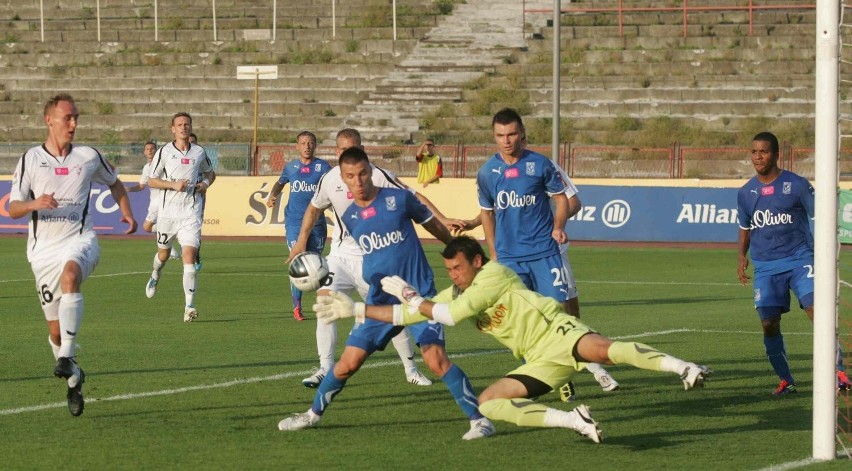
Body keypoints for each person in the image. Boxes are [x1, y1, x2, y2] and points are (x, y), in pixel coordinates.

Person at [314, 235, 712, 443]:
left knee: (604, 352)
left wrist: (413, 295)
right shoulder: (461, 291)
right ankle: (573, 420)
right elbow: (407, 314)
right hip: (536, 358)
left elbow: (444, 314)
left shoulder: (493, 276)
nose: (453, 275)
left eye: (457, 268)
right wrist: (357, 311)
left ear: (476, 262)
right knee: (489, 404)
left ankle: (683, 367)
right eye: (448, 270)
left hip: (557, 331)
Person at [278, 148, 496, 440]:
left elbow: (434, 226)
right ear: (342, 179)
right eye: (350, 177)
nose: (358, 181)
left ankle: (479, 420)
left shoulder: (399, 199)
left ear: (371, 171)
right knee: (347, 363)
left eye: (363, 173)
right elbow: (375, 253)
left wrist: (462, 258)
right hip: (380, 301)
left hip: (419, 295)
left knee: (434, 359)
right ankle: (312, 415)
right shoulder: (351, 215)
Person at [284, 128, 447, 388]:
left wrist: (443, 219)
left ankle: (410, 368)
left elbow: (413, 197)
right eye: (344, 150)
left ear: (362, 150)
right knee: (325, 303)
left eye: (355, 148)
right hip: (340, 257)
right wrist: (301, 242)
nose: (350, 153)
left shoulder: (378, 176)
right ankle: (325, 368)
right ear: (337, 153)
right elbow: (314, 208)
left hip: (374, 259)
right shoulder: (328, 179)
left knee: (391, 314)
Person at [8, 93, 138, 416]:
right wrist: (34, 204)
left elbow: (116, 184)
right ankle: (74, 378)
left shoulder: (88, 156)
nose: (74, 123)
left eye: (76, 117)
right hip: (42, 254)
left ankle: (67, 354)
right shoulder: (30, 159)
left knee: (71, 276)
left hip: (80, 240)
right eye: (67, 117)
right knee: (54, 330)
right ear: (48, 120)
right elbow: (12, 207)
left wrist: (127, 212)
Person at [475, 108, 618, 399]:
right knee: (523, 322)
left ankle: (580, 365)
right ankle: (548, 375)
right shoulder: (487, 173)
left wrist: (558, 226)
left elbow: (563, 199)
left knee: (560, 315)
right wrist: (493, 254)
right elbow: (487, 213)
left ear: (522, 134)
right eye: (500, 135)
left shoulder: (540, 165)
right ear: (494, 137)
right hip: (510, 259)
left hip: (544, 253)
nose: (506, 140)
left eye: (512, 134)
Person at [737, 131, 851, 395]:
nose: (758, 156)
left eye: (763, 151)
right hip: (765, 266)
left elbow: (821, 215)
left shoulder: (797, 185)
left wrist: (824, 249)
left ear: (776, 154)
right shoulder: (745, 193)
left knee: (817, 313)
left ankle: (839, 372)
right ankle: (786, 380)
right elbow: (745, 227)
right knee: (768, 323)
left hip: (800, 260)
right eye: (754, 151)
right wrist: (741, 256)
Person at [144, 112, 215, 322]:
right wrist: (173, 184)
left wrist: (205, 184)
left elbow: (211, 173)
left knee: (189, 258)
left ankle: (189, 306)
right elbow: (152, 181)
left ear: (191, 127)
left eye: (187, 124)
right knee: (163, 256)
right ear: (173, 129)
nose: (183, 127)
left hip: (190, 213)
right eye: (179, 124)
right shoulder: (164, 152)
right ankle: (155, 275)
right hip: (168, 214)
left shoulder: (199, 152)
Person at [265, 131, 332, 320]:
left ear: (316, 145)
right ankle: (297, 306)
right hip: (294, 222)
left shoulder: (323, 167)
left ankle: (322, 304)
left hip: (317, 223)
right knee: (299, 261)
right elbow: (280, 183)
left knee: (317, 264)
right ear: (297, 146)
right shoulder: (291, 167)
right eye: (303, 143)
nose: (307, 146)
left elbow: (332, 186)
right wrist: (273, 195)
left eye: (310, 143)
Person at [129, 141, 181, 260]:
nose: (150, 151)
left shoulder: (163, 164)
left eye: (152, 148)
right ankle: (173, 242)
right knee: (150, 227)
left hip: (164, 199)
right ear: (144, 152)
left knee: (147, 227)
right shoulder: (146, 167)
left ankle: (172, 246)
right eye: (147, 149)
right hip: (154, 202)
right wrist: (128, 189)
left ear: (156, 150)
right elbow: (142, 185)